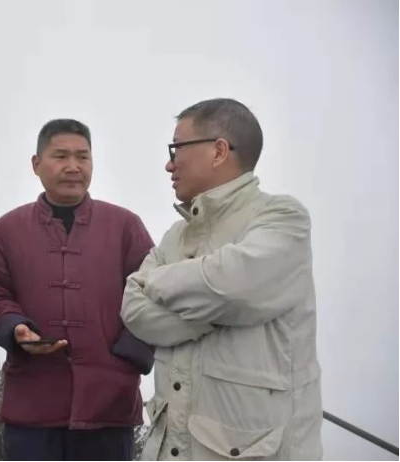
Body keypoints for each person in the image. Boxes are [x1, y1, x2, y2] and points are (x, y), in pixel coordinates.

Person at [121, 98, 322, 461]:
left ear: (218, 151)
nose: (169, 164)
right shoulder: (174, 236)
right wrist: (209, 316)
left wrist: (155, 283)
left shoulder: (282, 217)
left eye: (176, 148)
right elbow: (132, 309)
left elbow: (231, 289)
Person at [0, 119, 155, 461]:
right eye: (61, 156)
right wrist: (15, 329)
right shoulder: (6, 229)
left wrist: (128, 359)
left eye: (83, 157)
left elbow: (155, 295)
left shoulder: (125, 226)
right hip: (31, 405)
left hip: (109, 407)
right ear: (36, 164)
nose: (73, 166)